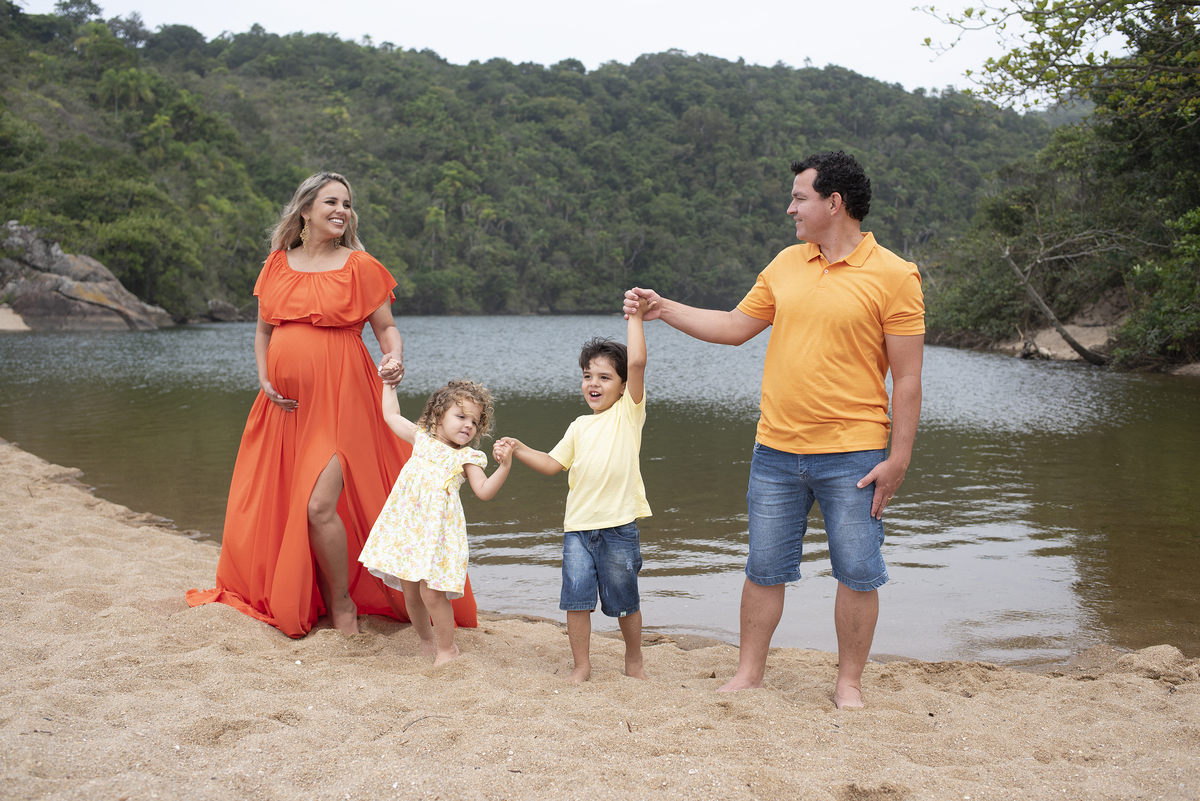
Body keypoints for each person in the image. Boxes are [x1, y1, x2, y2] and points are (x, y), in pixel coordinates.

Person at [623, 151, 924, 708]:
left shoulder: (895, 275)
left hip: (854, 454)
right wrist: (665, 309)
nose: (790, 208)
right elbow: (735, 327)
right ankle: (748, 674)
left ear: (834, 203)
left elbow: (906, 379)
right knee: (764, 567)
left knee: (858, 572)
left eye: (799, 198)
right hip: (776, 451)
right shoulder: (786, 264)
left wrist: (898, 457)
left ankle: (848, 683)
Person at [186, 171, 479, 638]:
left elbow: (386, 328)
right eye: (331, 202)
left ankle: (343, 605)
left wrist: (394, 357)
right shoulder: (277, 264)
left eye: (346, 203)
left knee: (320, 504)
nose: (341, 210)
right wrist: (264, 377)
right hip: (287, 408)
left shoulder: (360, 265)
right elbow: (264, 330)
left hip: (346, 399)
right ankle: (321, 597)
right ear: (305, 211)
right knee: (286, 502)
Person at [498, 297, 652, 683]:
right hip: (577, 529)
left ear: (621, 387)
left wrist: (635, 317)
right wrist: (518, 449)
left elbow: (636, 363)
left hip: (618, 526)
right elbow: (552, 464)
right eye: (587, 376)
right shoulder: (578, 426)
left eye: (604, 377)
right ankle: (581, 666)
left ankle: (634, 659)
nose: (593, 384)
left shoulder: (628, 413)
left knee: (624, 601)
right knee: (576, 600)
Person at [359, 377, 513, 665]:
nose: (468, 424)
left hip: (438, 535)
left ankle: (447, 648)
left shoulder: (467, 457)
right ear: (438, 416)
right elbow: (391, 415)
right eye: (460, 416)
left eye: (475, 421)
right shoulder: (421, 438)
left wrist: (504, 466)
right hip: (407, 528)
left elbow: (484, 492)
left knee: (431, 593)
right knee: (410, 592)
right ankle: (425, 639)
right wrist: (388, 383)